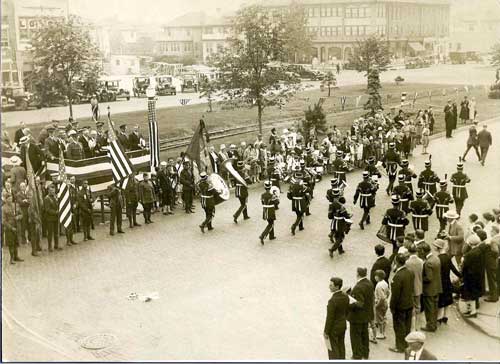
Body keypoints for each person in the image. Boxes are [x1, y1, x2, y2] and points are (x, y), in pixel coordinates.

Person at [389, 254, 414, 353]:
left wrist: (392, 307)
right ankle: (406, 343)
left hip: (400, 306)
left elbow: (395, 295)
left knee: (399, 327)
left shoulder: (398, 276)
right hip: (409, 303)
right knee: (407, 325)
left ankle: (399, 346)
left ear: (396, 262)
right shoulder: (410, 272)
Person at [348, 267, 374, 360]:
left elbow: (359, 303)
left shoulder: (358, 287)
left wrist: (349, 301)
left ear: (358, 274)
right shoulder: (369, 283)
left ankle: (357, 355)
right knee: (364, 335)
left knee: (355, 336)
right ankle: (365, 353)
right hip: (366, 315)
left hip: (357, 317)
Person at [432, 239, 461, 324]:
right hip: (447, 281)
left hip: (440, 282)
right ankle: (445, 317)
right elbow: (453, 269)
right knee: (448, 300)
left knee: (441, 301)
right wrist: (461, 276)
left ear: (438, 248)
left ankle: (439, 318)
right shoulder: (448, 257)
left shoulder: (438, 259)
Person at [323, 276, 350, 360]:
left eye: (331, 285)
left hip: (334, 328)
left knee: (333, 349)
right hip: (342, 325)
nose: (329, 286)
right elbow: (347, 311)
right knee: (341, 345)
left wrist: (326, 331)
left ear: (337, 286)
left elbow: (329, 318)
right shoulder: (345, 296)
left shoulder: (332, 301)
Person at [419, 243, 442, 332]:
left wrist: (420, 278)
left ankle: (430, 325)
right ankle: (434, 324)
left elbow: (428, 277)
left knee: (429, 308)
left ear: (424, 251)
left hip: (429, 289)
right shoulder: (436, 258)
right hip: (437, 287)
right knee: (435, 307)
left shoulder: (428, 263)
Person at [461, 235, 483, 317]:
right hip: (477, 275)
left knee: (470, 294)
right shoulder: (479, 251)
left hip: (470, 276)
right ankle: (471, 310)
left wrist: (463, 261)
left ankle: (472, 311)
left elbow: (465, 265)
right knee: (473, 294)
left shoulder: (470, 254)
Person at [405, 244, 424, 331]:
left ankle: (412, 326)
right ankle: (417, 325)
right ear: (416, 252)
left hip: (409, 288)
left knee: (410, 306)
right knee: (418, 306)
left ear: (409, 252)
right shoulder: (421, 261)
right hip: (419, 286)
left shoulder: (407, 262)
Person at [328, 188, 351, 257]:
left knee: (337, 236)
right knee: (340, 238)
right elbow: (346, 216)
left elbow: (329, 216)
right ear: (338, 196)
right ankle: (332, 249)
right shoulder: (341, 206)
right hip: (340, 223)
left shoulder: (331, 205)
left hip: (334, 222)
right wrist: (349, 215)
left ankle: (340, 250)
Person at [2, 194, 24, 264]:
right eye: (8, 198)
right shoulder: (3, 208)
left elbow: (21, 214)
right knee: (11, 243)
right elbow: (3, 221)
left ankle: (16, 256)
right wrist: (11, 228)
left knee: (16, 242)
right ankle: (11, 258)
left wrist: (18, 217)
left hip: (17, 226)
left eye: (11, 198)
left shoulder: (16, 205)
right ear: (5, 199)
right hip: (9, 228)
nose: (10, 200)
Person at [259, 181, 279, 245]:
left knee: (270, 223)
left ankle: (271, 236)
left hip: (265, 210)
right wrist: (277, 197)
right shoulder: (272, 195)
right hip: (270, 210)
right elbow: (277, 202)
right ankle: (263, 236)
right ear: (270, 187)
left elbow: (262, 202)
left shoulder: (262, 195)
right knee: (271, 224)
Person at [484, 225, 499, 302]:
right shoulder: (498, 238)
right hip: (496, 262)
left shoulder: (493, 240)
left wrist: (495, 256)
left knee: (492, 280)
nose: (490, 232)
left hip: (492, 262)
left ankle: (493, 297)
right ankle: (495, 295)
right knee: (495, 279)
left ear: (494, 232)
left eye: (491, 231)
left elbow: (495, 251)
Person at [44, 184, 61, 252]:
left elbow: (57, 205)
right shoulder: (47, 198)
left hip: (55, 218)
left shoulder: (55, 197)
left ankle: (56, 245)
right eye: (51, 190)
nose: (52, 191)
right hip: (49, 218)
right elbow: (47, 209)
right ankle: (49, 246)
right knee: (50, 233)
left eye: (53, 190)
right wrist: (55, 212)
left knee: (56, 232)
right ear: (48, 190)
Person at [374, 270, 390, 340]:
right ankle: (383, 332)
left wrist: (377, 305)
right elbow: (388, 292)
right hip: (385, 303)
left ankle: (381, 333)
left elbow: (381, 297)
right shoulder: (385, 283)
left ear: (378, 277)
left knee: (379, 318)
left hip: (380, 303)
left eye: (375, 276)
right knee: (383, 317)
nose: (375, 277)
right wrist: (386, 298)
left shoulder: (378, 286)